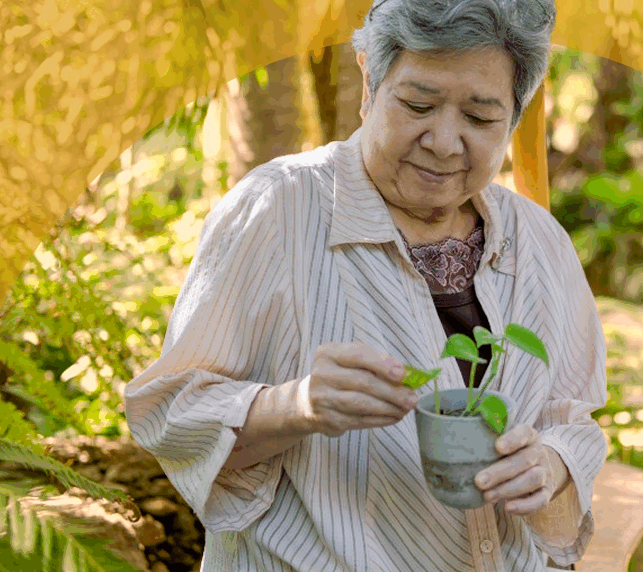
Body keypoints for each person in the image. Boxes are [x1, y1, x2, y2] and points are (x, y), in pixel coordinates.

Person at [124, 0, 608, 570]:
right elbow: (169, 411)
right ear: (368, 82)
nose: (446, 142)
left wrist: (548, 466)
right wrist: (296, 406)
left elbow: (570, 420)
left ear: (515, 115)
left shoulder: (539, 240)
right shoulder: (280, 206)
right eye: (418, 104)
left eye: (481, 119)